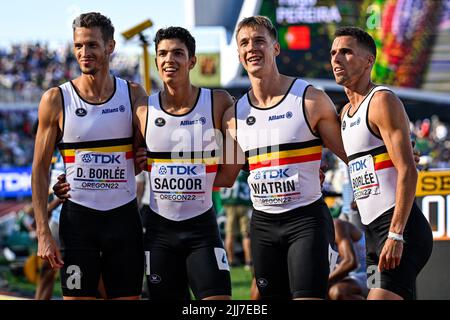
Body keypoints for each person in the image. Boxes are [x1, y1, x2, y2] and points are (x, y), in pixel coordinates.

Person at [215, 16, 349, 300]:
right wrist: (155, 161)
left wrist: (392, 153)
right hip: (262, 224)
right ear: (239, 55)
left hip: (307, 220)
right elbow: (225, 176)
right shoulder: (233, 116)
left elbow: (352, 153)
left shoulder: (310, 100)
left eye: (259, 41)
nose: (252, 48)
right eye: (245, 43)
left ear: (276, 48)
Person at [32, 12, 146, 300]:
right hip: (78, 223)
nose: (84, 53)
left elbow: (147, 152)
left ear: (110, 46)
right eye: (78, 46)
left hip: (124, 220)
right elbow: (39, 169)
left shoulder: (133, 94)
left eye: (92, 45)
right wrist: (44, 232)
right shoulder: (56, 99)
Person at [331, 26, 433, 300]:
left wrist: (396, 235)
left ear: (368, 61)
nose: (336, 59)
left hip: (400, 230)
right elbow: (362, 161)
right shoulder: (344, 114)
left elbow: (408, 171)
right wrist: (361, 196)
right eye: (333, 53)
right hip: (372, 236)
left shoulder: (381, 101)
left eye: (346, 52)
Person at [133, 27, 233, 300]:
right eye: (162, 53)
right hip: (159, 232)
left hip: (202, 228)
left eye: (178, 53)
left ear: (192, 61)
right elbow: (130, 164)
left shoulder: (218, 101)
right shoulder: (143, 109)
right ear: (155, 61)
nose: (169, 59)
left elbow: (233, 167)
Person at [328, 218, 367, 300]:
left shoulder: (336, 225)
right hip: (351, 278)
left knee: (337, 291)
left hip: (372, 274)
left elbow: (350, 262)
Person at [220, 169, 252, 269]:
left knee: (229, 234)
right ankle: (249, 261)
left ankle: (231, 260)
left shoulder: (227, 170)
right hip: (244, 204)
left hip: (230, 205)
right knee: (246, 234)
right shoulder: (245, 171)